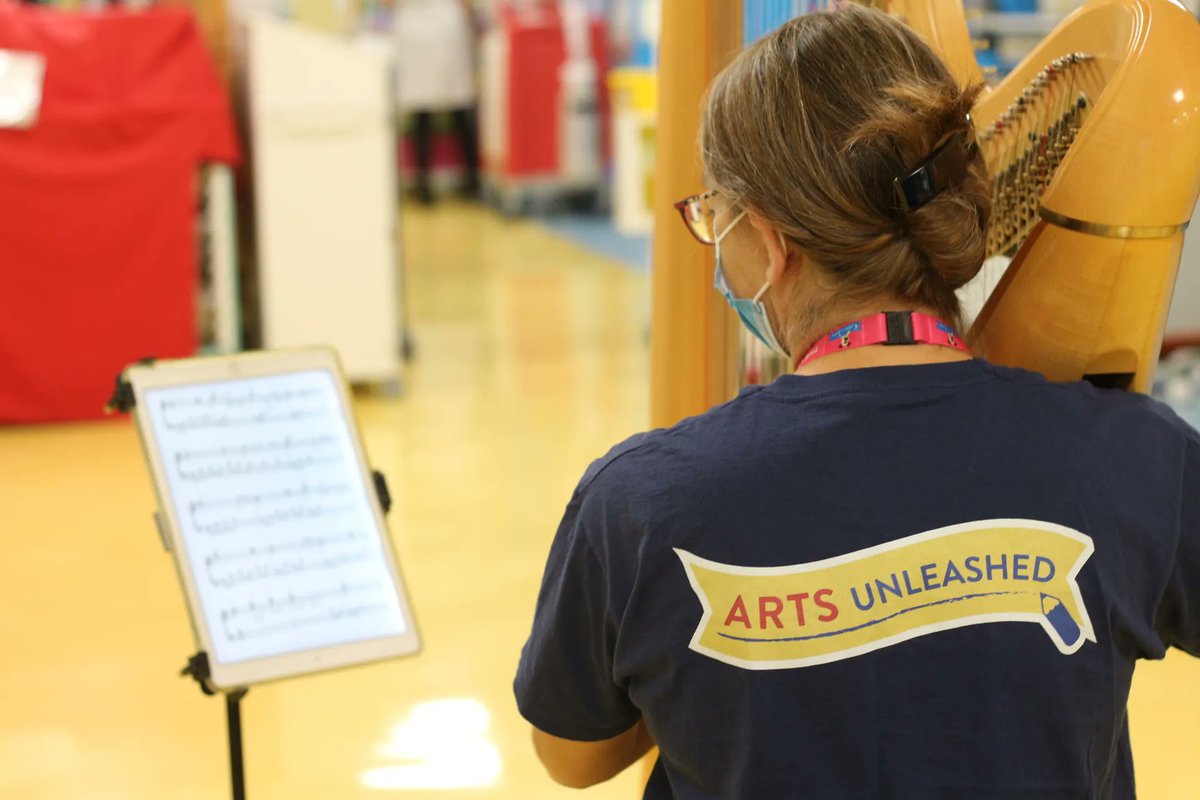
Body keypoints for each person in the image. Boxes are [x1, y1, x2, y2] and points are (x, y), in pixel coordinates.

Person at [513, 5, 1199, 798]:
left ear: (769, 242)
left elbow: (573, 756)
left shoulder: (640, 502)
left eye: (714, 218)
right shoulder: (1134, 458)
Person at [394, 0, 480, 203]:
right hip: (444, 27)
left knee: (424, 112)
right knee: (458, 109)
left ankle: (424, 186)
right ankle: (472, 183)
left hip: (417, 31)